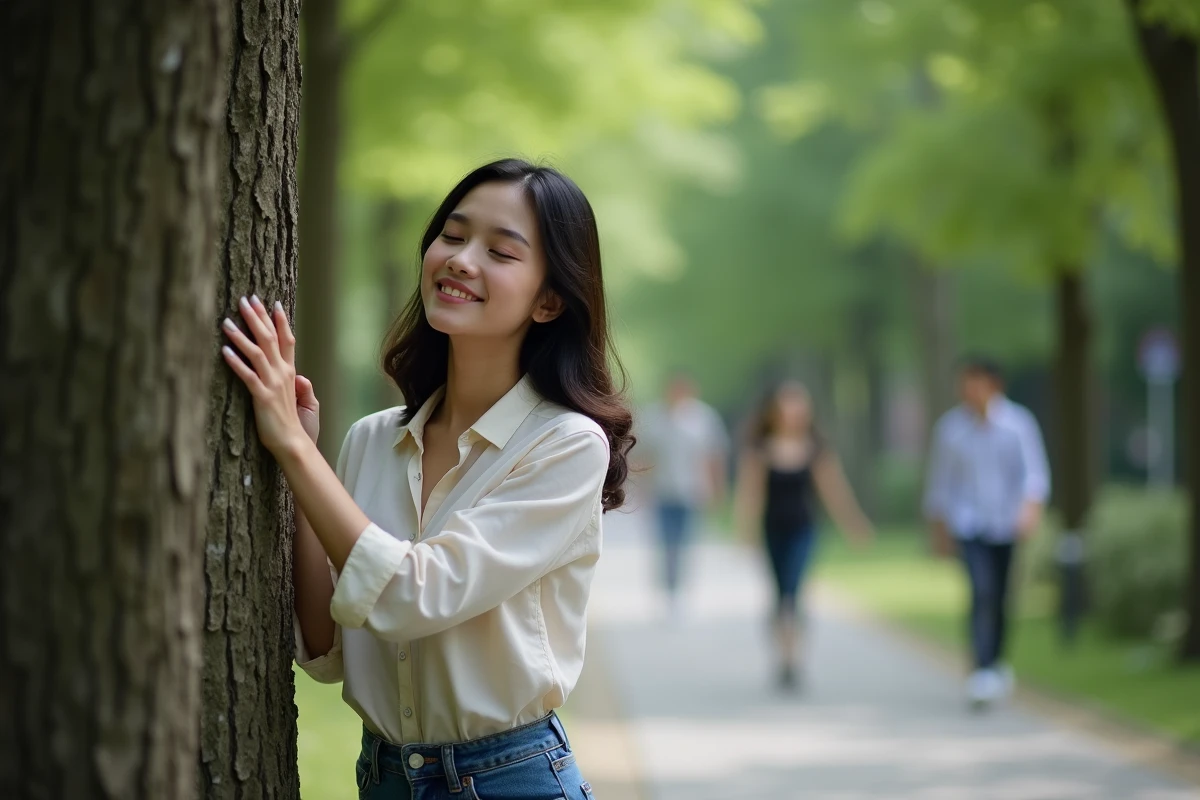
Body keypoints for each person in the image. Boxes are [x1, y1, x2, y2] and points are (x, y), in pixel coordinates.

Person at [221, 159, 633, 799]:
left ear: (549, 300)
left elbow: (413, 596)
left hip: (510, 782)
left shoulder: (566, 446)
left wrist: (294, 449)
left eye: (500, 251)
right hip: (383, 778)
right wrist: (299, 451)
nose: (461, 260)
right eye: (452, 235)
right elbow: (326, 647)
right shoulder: (372, 439)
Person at [923, 355, 1050, 710]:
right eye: (964, 382)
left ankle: (995, 662)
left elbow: (1034, 475)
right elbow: (941, 483)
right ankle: (980, 668)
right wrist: (939, 529)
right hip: (969, 524)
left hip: (1006, 524)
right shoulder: (950, 430)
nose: (969, 390)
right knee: (981, 592)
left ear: (994, 385)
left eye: (975, 382)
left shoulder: (1018, 424)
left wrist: (1029, 512)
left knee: (1003, 597)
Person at [733, 380, 874, 690]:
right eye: (787, 405)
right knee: (779, 594)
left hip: (804, 531)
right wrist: (745, 531)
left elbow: (834, 491)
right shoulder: (760, 449)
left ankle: (794, 659)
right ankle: (782, 657)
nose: (793, 412)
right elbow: (751, 494)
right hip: (773, 531)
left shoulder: (815, 449)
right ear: (773, 411)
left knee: (794, 593)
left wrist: (853, 524)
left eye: (799, 405)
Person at [636, 372, 729, 615]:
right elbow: (645, 456)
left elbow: (714, 456)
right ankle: (670, 590)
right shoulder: (654, 418)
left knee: (686, 542)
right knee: (667, 543)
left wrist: (718, 489)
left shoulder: (704, 418)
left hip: (693, 492)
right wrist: (642, 489)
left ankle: (681, 589)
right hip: (662, 492)